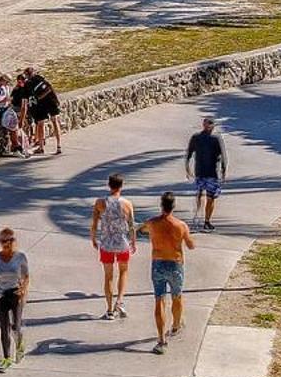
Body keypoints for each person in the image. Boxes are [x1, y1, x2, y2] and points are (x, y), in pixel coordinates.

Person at [145, 191, 195, 354]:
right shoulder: (180, 225)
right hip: (175, 263)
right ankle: (175, 325)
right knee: (177, 296)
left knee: (159, 299)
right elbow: (191, 245)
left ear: (161, 206)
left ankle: (161, 339)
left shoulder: (152, 223)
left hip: (158, 263)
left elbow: (142, 229)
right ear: (173, 206)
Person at [89, 173, 136, 320]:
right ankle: (119, 301)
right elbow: (132, 226)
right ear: (121, 186)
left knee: (108, 276)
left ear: (109, 185)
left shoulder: (100, 203)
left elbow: (94, 224)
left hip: (106, 243)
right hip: (122, 242)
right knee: (123, 272)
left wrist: (94, 239)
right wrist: (133, 241)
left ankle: (109, 310)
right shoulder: (127, 204)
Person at [0, 226, 30, 370]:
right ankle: (6, 358)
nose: (6, 243)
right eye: (3, 240)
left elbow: (26, 276)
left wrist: (23, 290)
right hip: (0, 295)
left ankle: (20, 343)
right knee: (4, 328)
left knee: (15, 326)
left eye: (9, 240)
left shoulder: (21, 257)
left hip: (15, 294)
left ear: (14, 241)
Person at [184, 116, 228, 230]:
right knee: (203, 196)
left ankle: (205, 220)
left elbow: (223, 156)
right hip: (204, 172)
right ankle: (200, 218)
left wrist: (223, 171)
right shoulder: (199, 137)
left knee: (208, 197)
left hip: (209, 173)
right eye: (208, 123)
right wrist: (187, 168)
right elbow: (189, 153)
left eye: (210, 124)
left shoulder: (214, 138)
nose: (209, 126)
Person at [22, 67, 64, 155]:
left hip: (43, 103)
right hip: (48, 102)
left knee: (46, 122)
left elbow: (47, 89)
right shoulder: (38, 79)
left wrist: (38, 98)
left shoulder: (31, 82)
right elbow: (49, 88)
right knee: (53, 121)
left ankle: (43, 147)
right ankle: (57, 146)